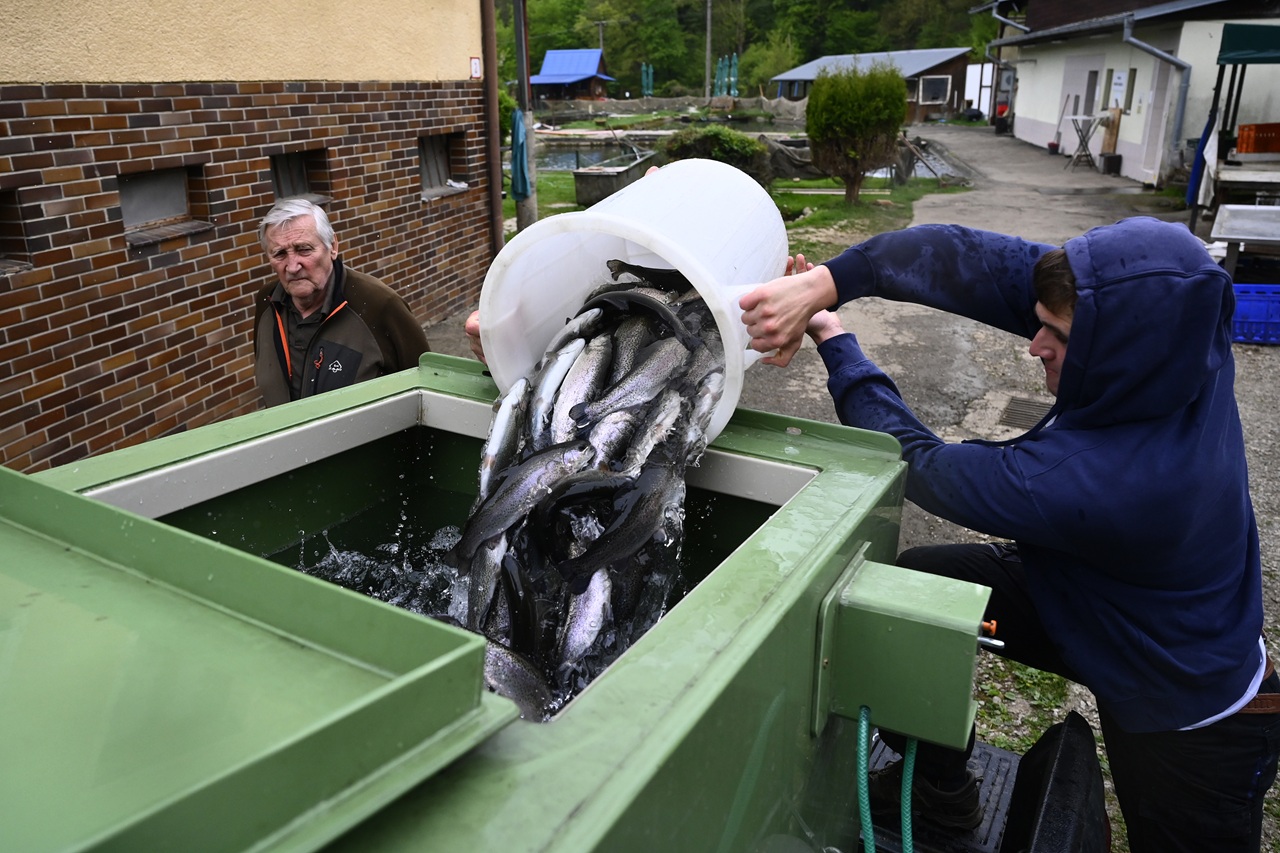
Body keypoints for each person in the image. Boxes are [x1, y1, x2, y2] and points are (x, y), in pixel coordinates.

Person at [739, 218, 1279, 852]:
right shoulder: (1180, 335)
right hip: (1091, 594)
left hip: (1187, 708)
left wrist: (833, 334)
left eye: (1058, 335)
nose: (1033, 346)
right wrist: (826, 283)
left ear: (1120, 352)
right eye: (1038, 320)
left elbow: (921, 462)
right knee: (923, 589)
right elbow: (952, 255)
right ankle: (939, 795)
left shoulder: (1105, 483)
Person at [253, 198, 430, 406]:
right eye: (280, 254)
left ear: (333, 246)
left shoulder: (379, 305)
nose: (292, 266)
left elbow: (424, 388)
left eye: (304, 249)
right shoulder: (268, 302)